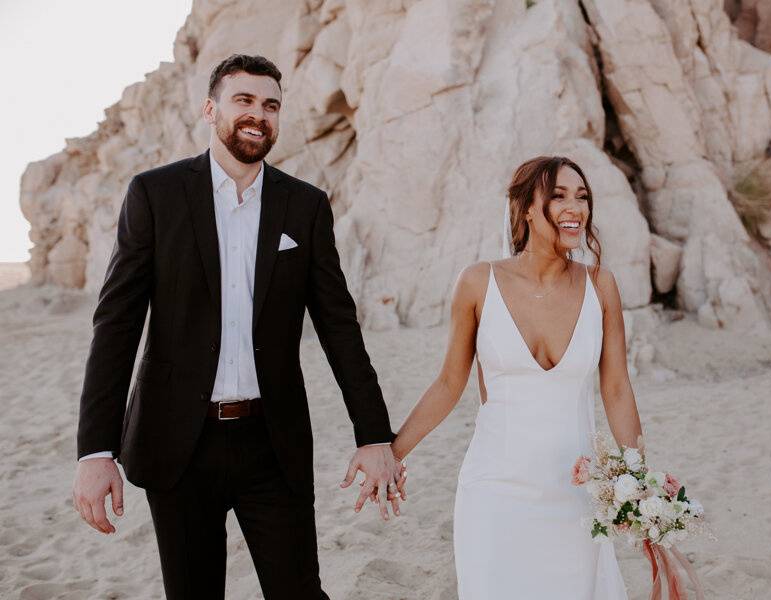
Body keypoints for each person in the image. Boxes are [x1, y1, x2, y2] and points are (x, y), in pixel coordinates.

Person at [71, 54, 404, 599]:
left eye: (271, 105)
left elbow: (340, 327)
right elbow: (116, 327)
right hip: (178, 441)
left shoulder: (305, 206)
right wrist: (94, 452)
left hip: (272, 443)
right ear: (211, 109)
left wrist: (373, 436)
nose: (258, 115)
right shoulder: (155, 195)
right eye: (243, 100)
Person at [390, 156, 643, 598]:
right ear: (527, 208)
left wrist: (638, 480)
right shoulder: (477, 282)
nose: (575, 208)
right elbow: (449, 384)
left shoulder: (601, 285)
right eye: (559, 195)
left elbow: (617, 389)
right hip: (494, 492)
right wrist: (392, 454)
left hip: (577, 496)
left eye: (582, 197)